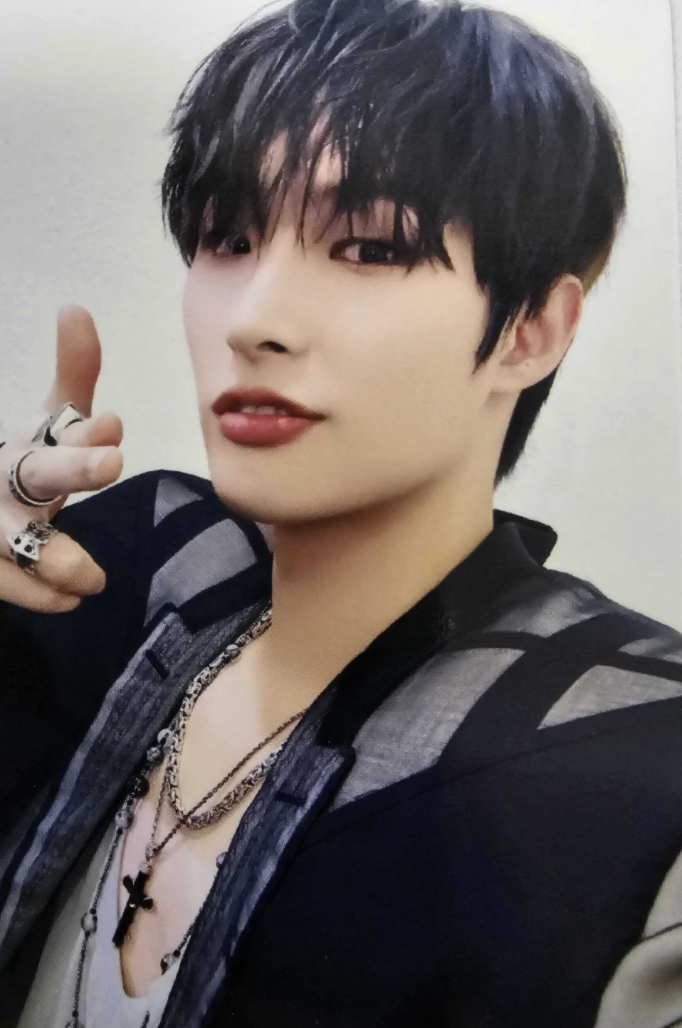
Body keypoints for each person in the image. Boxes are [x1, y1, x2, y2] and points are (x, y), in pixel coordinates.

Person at [1, 0, 681, 1025]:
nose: (254, 320)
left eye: (367, 247)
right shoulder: (125, 568)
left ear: (532, 329)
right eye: (228, 237)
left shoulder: (627, 757)